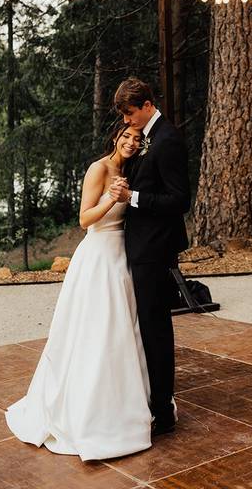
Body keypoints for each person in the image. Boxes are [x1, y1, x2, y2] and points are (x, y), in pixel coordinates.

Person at [5, 123, 152, 461]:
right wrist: (113, 199)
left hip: (122, 258)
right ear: (115, 137)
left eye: (137, 139)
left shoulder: (131, 171)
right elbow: (85, 219)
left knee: (122, 331)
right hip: (98, 257)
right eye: (126, 137)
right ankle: (86, 409)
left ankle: (125, 401)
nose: (131, 142)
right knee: (93, 330)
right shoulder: (98, 169)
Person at [108, 78, 191, 437]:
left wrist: (134, 198)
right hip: (140, 246)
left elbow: (179, 200)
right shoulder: (146, 137)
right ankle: (154, 398)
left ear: (146, 104)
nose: (127, 122)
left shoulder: (168, 140)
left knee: (156, 328)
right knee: (147, 326)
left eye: (130, 114)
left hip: (153, 249)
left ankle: (163, 410)